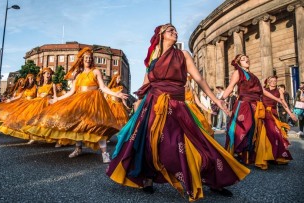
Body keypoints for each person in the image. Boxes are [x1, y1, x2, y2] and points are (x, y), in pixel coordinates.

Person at [106, 24, 250, 201]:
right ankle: (148, 178)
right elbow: (146, 85)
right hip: (153, 104)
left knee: (195, 142)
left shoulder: (183, 55)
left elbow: (199, 79)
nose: (175, 32)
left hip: (177, 105)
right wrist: (137, 104)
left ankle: (214, 179)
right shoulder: (153, 60)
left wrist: (216, 100)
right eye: (170, 30)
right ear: (161, 35)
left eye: (175, 30)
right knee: (149, 142)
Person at [24, 47, 127, 163]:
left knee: (98, 125)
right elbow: (71, 92)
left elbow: (103, 87)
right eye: (86, 58)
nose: (88, 59)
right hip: (80, 101)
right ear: (82, 60)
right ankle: (78, 148)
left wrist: (115, 93)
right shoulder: (78, 76)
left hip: (94, 101)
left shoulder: (96, 71)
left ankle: (104, 153)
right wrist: (57, 99)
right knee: (78, 124)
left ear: (92, 59)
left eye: (89, 58)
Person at [220, 54, 289, 169]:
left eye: (247, 58)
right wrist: (220, 100)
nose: (246, 59)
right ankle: (236, 153)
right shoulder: (238, 72)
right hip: (244, 105)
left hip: (256, 105)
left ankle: (248, 156)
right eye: (243, 59)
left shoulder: (253, 76)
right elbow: (230, 87)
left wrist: (277, 99)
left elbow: (262, 90)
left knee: (254, 131)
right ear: (238, 62)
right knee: (241, 129)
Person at [0, 70, 52, 141]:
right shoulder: (25, 88)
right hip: (27, 103)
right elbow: (19, 96)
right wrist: (11, 99)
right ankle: (23, 130)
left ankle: (37, 135)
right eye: (29, 79)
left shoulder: (36, 87)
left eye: (32, 78)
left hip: (37, 103)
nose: (31, 80)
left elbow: (37, 96)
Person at [261, 76, 296, 166]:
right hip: (264, 114)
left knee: (276, 134)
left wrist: (291, 114)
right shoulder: (263, 90)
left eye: (275, 81)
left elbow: (284, 103)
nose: (273, 82)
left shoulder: (279, 91)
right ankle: (267, 156)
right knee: (265, 135)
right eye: (271, 81)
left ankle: (277, 155)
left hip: (273, 114)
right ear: (268, 82)